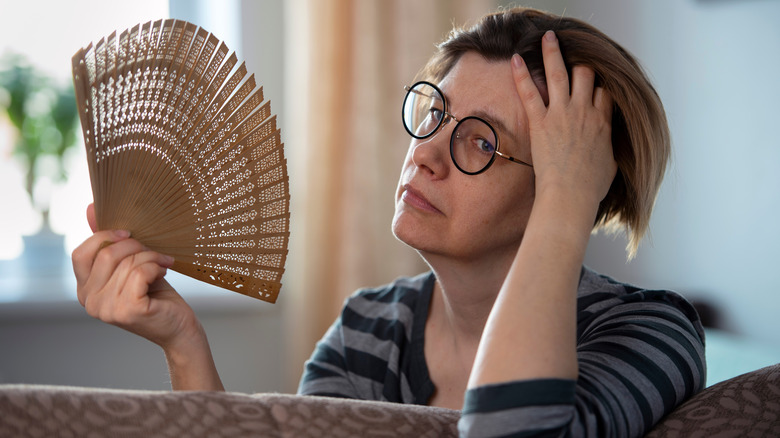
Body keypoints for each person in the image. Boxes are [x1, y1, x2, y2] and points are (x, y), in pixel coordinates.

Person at [71, 7, 705, 437]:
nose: (425, 154)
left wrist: (568, 205)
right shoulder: (368, 331)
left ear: (569, 184)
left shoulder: (650, 331)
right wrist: (183, 343)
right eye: (434, 114)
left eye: (481, 142)